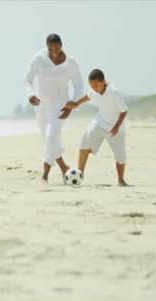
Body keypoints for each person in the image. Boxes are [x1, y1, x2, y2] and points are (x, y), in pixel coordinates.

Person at [23, 33, 83, 183]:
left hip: (60, 107)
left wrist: (73, 104)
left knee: (51, 138)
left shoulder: (71, 63)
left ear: (62, 45)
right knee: (49, 140)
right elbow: (27, 80)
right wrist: (30, 94)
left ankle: (44, 176)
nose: (55, 52)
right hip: (41, 106)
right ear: (47, 47)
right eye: (51, 49)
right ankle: (64, 168)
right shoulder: (39, 59)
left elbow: (78, 86)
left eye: (57, 48)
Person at [64, 68, 129, 186]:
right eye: (92, 86)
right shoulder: (94, 89)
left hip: (115, 127)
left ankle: (121, 180)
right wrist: (76, 103)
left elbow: (124, 111)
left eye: (96, 86)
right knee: (84, 146)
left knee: (120, 156)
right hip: (99, 122)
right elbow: (88, 96)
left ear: (103, 82)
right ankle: (79, 176)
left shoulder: (114, 93)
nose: (94, 89)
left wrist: (116, 127)